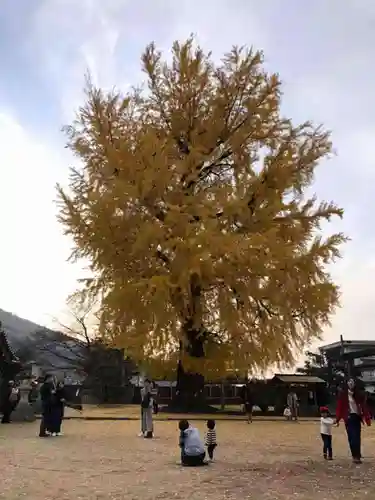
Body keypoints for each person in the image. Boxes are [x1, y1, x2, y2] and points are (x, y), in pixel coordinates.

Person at [336, 378, 371, 464]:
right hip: (348, 418)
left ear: (355, 384)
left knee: (356, 437)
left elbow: (364, 407)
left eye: (352, 382)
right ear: (347, 383)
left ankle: (357, 456)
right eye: (349, 382)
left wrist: (367, 419)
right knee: (351, 438)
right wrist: (337, 419)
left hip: (356, 418)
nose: (350, 383)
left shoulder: (359, 395)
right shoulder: (343, 395)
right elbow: (340, 408)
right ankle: (354, 455)